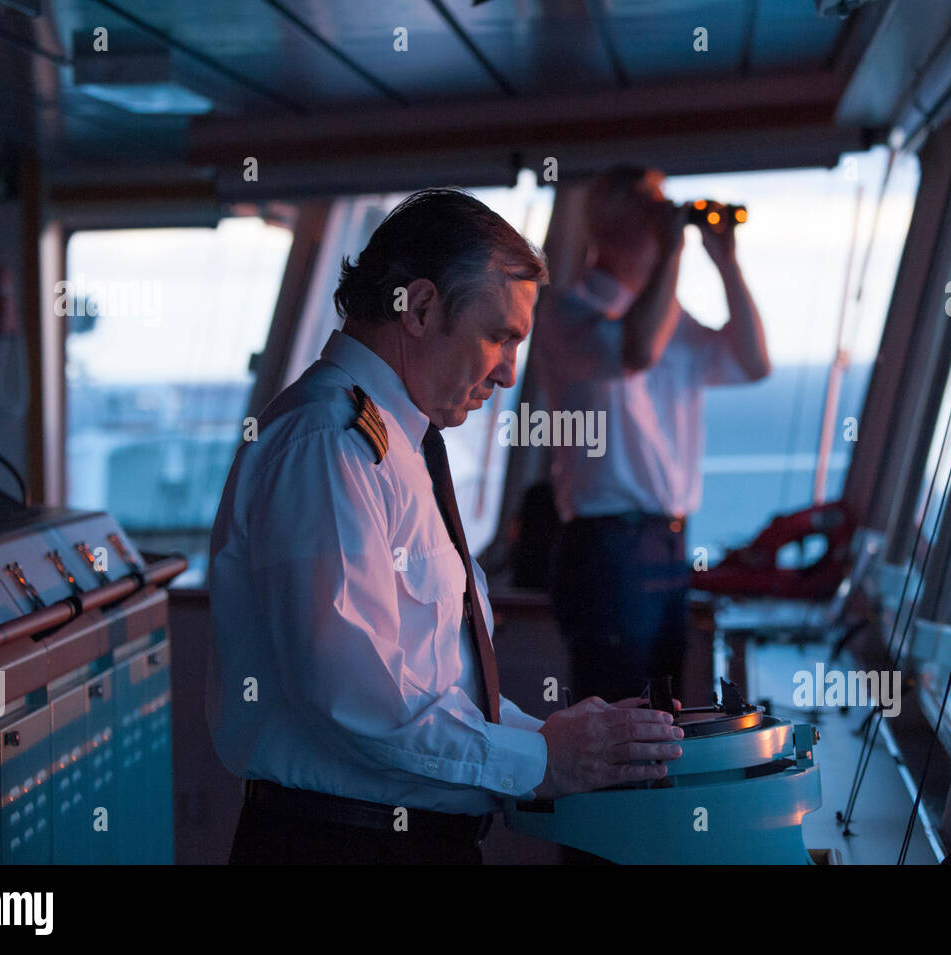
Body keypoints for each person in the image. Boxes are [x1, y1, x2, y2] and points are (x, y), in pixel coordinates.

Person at [205, 188, 684, 865]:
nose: (510, 372)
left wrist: (552, 736)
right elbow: (354, 695)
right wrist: (541, 758)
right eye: (500, 336)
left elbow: (430, 688)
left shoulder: (396, 445)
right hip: (343, 847)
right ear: (421, 307)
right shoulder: (330, 444)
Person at [536, 166, 772, 705]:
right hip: (607, 544)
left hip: (667, 541)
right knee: (620, 715)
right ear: (613, 224)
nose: (665, 223)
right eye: (652, 210)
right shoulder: (569, 313)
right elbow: (637, 351)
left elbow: (754, 364)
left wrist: (726, 261)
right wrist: (672, 253)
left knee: (663, 713)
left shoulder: (674, 321)